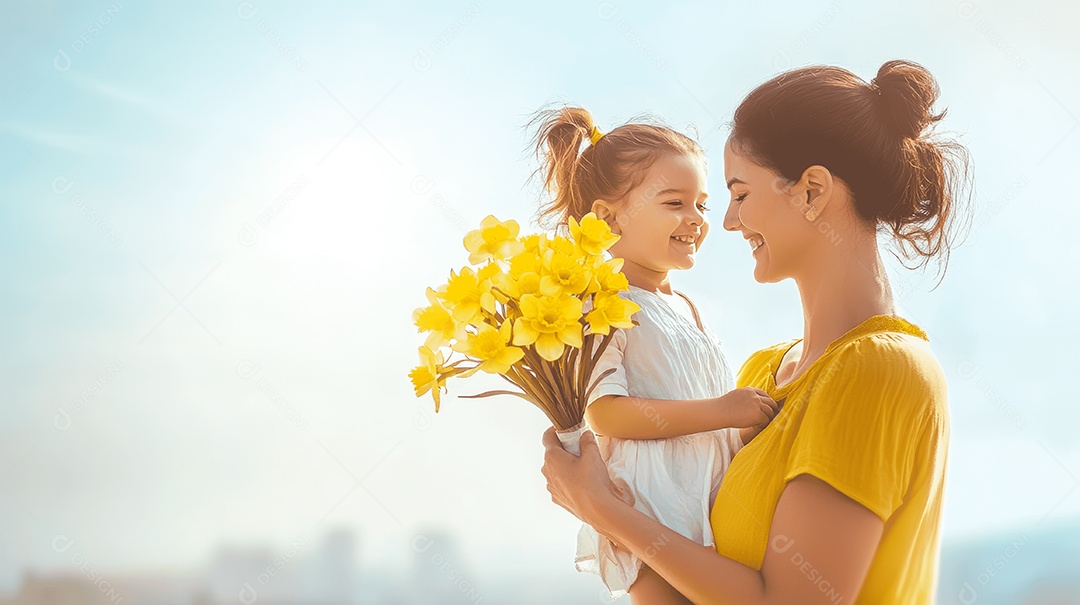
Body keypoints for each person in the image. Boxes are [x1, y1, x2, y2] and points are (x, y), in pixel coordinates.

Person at [540, 59, 970, 604]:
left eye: (738, 195)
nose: (725, 222)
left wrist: (601, 509)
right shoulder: (762, 374)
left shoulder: (878, 367)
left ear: (812, 191)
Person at [529, 106, 781, 603]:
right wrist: (723, 411)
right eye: (674, 203)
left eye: (703, 205)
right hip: (647, 502)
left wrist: (742, 426)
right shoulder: (600, 304)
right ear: (606, 217)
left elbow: (695, 391)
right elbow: (606, 414)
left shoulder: (684, 306)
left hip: (708, 492)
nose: (696, 220)